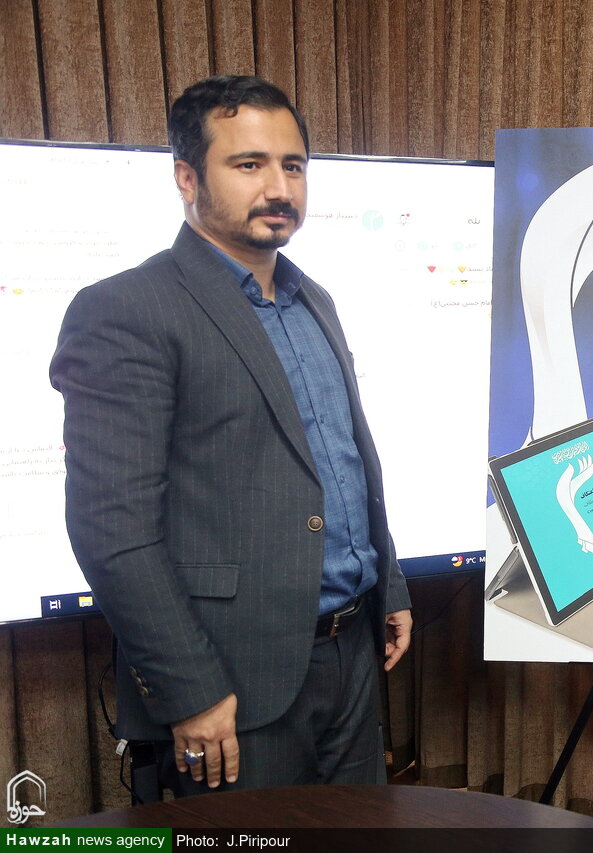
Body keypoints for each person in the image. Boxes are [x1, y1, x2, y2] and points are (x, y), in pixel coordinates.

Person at [50, 75, 413, 794]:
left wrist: (388, 583)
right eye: (249, 164)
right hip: (231, 681)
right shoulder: (127, 309)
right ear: (187, 178)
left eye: (293, 165)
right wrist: (189, 687)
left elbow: (341, 462)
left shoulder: (314, 299)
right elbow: (111, 526)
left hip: (352, 655)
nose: (279, 187)